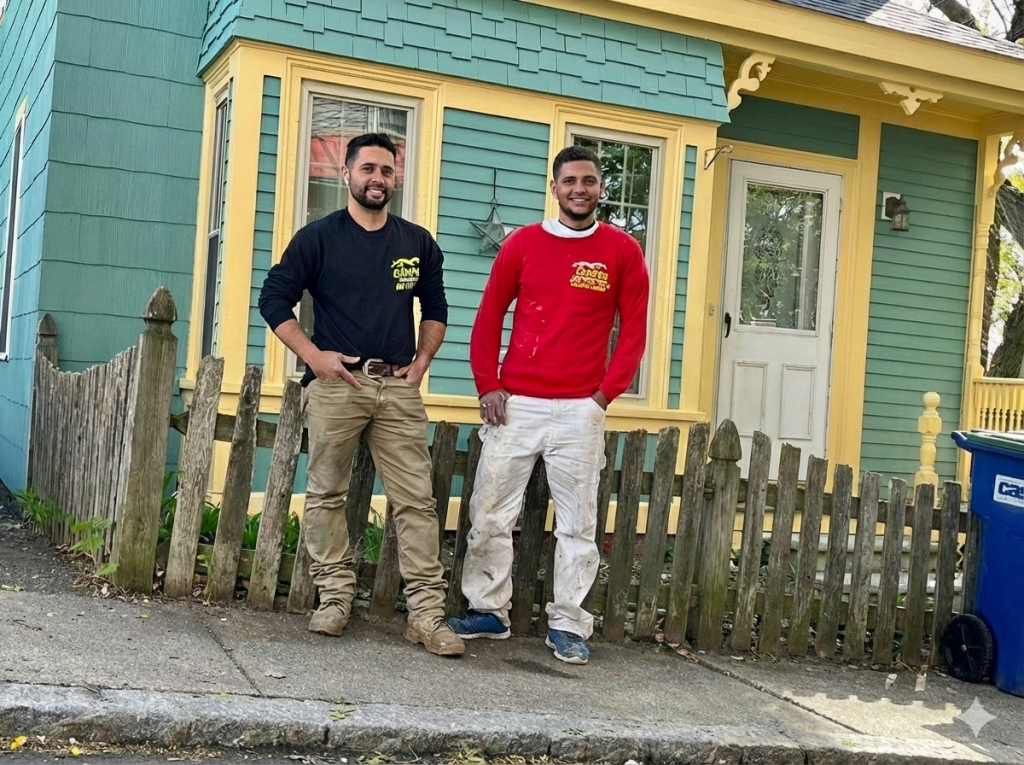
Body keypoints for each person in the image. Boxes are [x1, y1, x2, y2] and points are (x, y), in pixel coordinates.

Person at [258, 132, 464, 658]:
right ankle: (334, 598)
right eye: (368, 168)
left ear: (396, 178)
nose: (378, 178)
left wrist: (422, 362)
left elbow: (436, 307)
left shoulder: (416, 243)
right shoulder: (318, 238)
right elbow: (274, 298)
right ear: (346, 173)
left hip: (397, 387)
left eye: (387, 170)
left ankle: (426, 615)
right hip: (336, 386)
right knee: (327, 494)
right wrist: (314, 356)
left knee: (416, 501)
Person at [448, 145, 650, 664]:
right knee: (490, 512)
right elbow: (490, 314)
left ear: (600, 188)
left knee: (578, 525)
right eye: (570, 181)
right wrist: (487, 383)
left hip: (580, 409)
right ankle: (488, 611)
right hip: (517, 406)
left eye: (589, 180)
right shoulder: (522, 244)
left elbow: (633, 331)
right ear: (554, 187)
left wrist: (603, 397)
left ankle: (568, 624)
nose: (579, 189)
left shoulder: (622, 251)